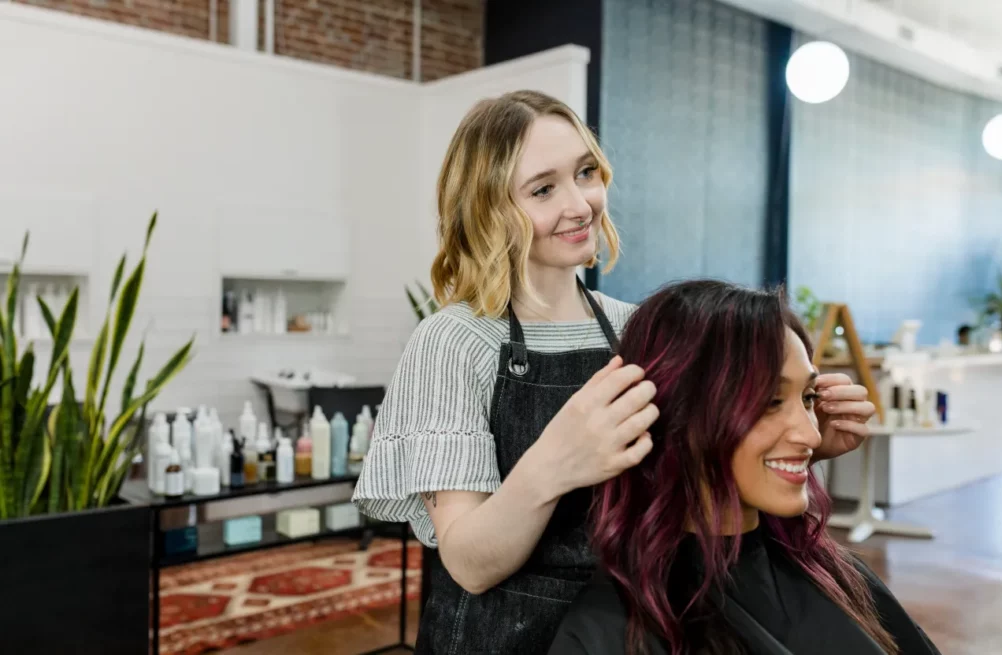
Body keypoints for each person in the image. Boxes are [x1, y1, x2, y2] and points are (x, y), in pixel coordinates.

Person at [351, 90, 877, 655]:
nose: (580, 204)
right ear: (486, 206)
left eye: (585, 173)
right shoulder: (454, 342)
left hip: (632, 628)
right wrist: (554, 463)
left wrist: (798, 442)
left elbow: (693, 480)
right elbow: (469, 564)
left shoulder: (635, 329)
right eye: (543, 189)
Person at [548, 280, 941, 655]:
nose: (812, 435)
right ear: (680, 413)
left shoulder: (833, 573)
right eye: (770, 401)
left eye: (806, 397)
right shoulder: (607, 631)